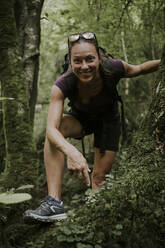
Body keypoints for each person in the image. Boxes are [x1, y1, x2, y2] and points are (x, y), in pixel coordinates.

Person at [24, 32, 160, 222]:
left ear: (99, 57)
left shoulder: (113, 68)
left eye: (90, 59)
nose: (84, 66)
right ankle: (54, 203)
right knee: (57, 129)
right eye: (77, 61)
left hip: (108, 122)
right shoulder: (62, 84)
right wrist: (71, 151)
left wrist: (162, 63)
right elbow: (51, 129)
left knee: (99, 177)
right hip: (82, 120)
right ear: (70, 63)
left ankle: (94, 218)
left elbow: (139, 69)